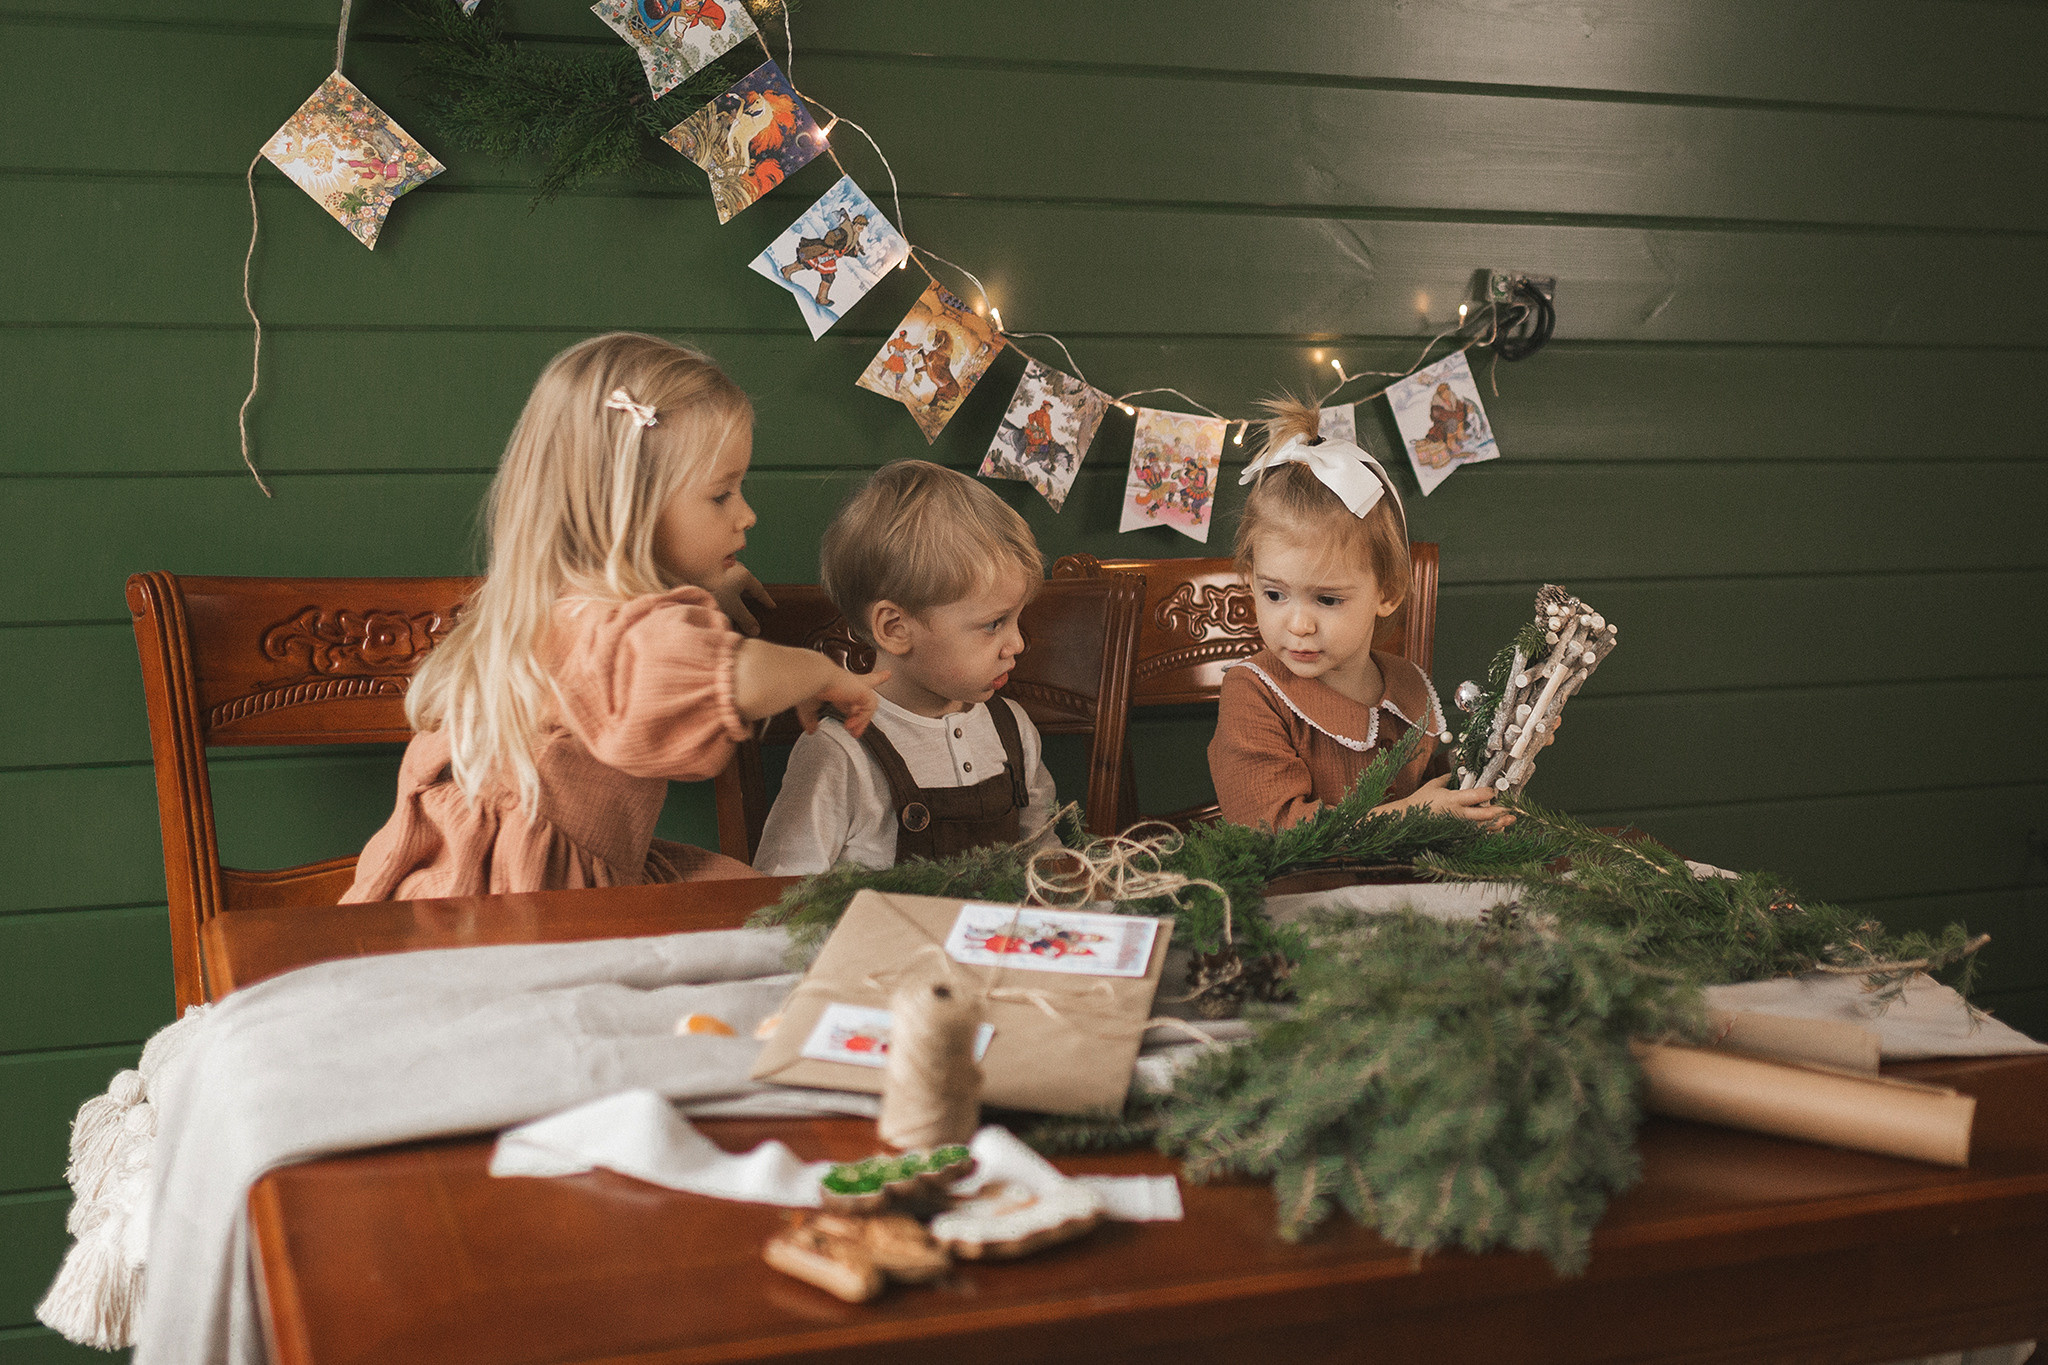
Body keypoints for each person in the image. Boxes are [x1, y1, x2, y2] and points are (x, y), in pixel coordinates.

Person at [344, 333, 883, 901]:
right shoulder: (613, 632)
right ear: (629, 507)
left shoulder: (551, 606)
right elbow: (735, 677)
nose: (746, 515)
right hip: (524, 904)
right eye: (721, 495)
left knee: (745, 896)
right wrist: (820, 673)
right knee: (757, 919)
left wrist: (697, 589)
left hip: (495, 880)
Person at [1207, 398, 1510, 832]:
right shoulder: (1254, 694)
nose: (1298, 625)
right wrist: (1414, 816)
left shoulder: (1408, 687)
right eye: (1274, 594)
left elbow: (1438, 789)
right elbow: (1272, 831)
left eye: (1327, 600)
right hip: (1296, 899)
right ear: (1251, 580)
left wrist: (1499, 751)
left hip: (1406, 895)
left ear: (1387, 592)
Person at [752, 461, 1058, 874]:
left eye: (1017, 618)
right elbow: (782, 892)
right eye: (993, 624)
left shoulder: (1012, 729)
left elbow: (1044, 855)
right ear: (895, 629)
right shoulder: (841, 750)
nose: (1017, 643)